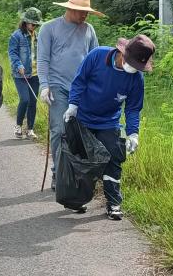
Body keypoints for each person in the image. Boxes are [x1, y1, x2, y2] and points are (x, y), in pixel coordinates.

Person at [63, 35, 155, 220]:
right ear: (123, 53)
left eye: (138, 66)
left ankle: (113, 203)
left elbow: (132, 108)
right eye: (132, 63)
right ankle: (77, 199)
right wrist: (73, 105)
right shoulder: (97, 56)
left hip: (108, 121)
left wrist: (133, 134)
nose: (133, 68)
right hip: (83, 117)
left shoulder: (136, 78)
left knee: (114, 158)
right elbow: (80, 81)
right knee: (82, 159)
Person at [37, 0, 103, 190]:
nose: (84, 15)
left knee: (81, 132)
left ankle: (78, 173)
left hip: (83, 90)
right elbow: (43, 59)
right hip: (58, 87)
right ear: (70, 9)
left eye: (87, 12)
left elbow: (96, 59)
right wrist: (44, 85)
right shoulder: (49, 29)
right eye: (81, 11)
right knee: (59, 130)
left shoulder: (89, 30)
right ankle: (59, 173)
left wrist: (98, 87)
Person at [8, 7, 43, 140]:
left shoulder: (38, 36)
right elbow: (13, 53)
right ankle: (18, 126)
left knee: (33, 101)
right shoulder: (16, 36)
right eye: (32, 23)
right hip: (21, 74)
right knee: (25, 99)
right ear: (25, 22)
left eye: (36, 24)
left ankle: (30, 129)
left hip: (35, 74)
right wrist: (18, 65)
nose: (33, 26)